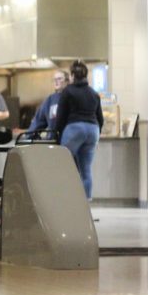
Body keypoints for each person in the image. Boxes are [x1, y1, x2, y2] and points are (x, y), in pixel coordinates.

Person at [55, 61, 103, 199]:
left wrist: (57, 135)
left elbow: (61, 117)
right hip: (93, 130)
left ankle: (63, 200)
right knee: (86, 169)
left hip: (75, 128)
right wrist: (97, 135)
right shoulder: (94, 94)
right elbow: (100, 119)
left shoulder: (68, 91)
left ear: (71, 76)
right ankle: (85, 204)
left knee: (63, 164)